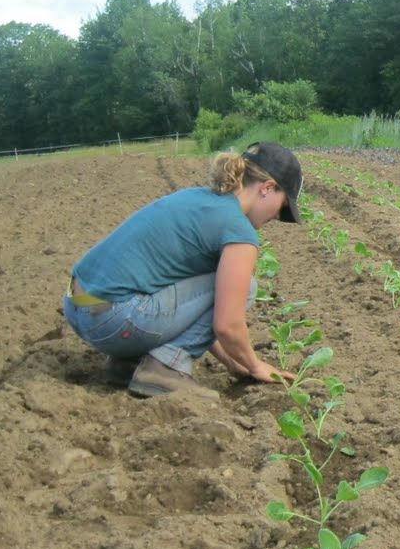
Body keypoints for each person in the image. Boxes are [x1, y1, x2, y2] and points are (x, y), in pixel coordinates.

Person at [62, 141, 303, 398]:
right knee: (248, 288)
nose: (279, 216)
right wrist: (256, 366)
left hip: (79, 309)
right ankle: (163, 369)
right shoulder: (237, 230)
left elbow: (192, 312)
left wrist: (233, 362)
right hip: (115, 320)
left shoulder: (197, 198)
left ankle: (128, 365)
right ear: (267, 188)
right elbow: (227, 324)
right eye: (283, 206)